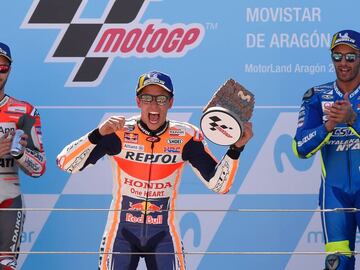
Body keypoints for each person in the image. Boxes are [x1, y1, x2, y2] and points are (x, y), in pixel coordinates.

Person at [56, 71, 253, 270]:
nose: (154, 105)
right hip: (121, 233)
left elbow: (220, 186)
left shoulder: (186, 136)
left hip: (164, 234)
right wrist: (97, 135)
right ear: (138, 101)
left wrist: (236, 149)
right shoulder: (117, 132)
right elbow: (65, 163)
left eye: (161, 99)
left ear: (171, 102)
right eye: (147, 98)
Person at [293, 30, 360, 270]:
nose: (343, 63)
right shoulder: (316, 97)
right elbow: (300, 148)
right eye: (337, 56)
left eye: (351, 57)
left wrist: (353, 119)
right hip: (334, 195)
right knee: (337, 263)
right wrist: (328, 126)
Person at [0, 42, 46, 270]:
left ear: (9, 69)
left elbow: (39, 168)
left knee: (7, 265)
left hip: (8, 200)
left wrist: (20, 154)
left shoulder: (25, 111)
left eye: (3, 68)